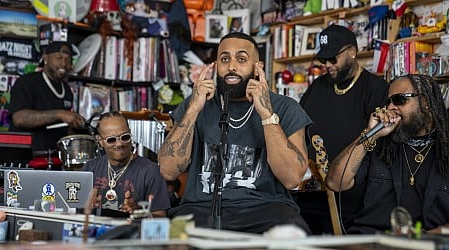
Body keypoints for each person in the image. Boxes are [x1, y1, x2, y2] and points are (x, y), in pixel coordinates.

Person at [158, 32, 312, 234]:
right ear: (215, 66)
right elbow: (168, 170)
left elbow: (293, 178)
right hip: (199, 209)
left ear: (258, 67)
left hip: (266, 210)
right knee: (165, 239)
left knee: (293, 237)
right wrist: (194, 109)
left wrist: (266, 113)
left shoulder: (285, 107)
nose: (231, 67)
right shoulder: (195, 104)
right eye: (224, 59)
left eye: (241, 59)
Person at [325, 74, 449, 234]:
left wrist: (422, 237)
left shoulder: (444, 148)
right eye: (388, 102)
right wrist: (370, 134)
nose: (390, 107)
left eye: (399, 99)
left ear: (425, 102)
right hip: (373, 239)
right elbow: (335, 182)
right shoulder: (380, 144)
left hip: (429, 242)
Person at [296, 24, 389, 234]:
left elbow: (380, 142)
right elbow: (299, 128)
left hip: (354, 201)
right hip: (311, 197)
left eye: (333, 59)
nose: (327, 65)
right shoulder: (318, 87)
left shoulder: (375, 88)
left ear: (352, 52)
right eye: (323, 60)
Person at [82, 111, 170, 216]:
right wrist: (86, 207)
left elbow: (161, 220)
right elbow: (72, 211)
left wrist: (137, 213)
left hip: (130, 231)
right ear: (100, 140)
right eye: (111, 140)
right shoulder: (90, 168)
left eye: (125, 137)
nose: (119, 144)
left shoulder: (151, 171)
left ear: (130, 133)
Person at [8, 42, 86, 153]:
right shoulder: (27, 82)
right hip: (25, 157)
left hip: (54, 158)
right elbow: (19, 119)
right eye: (58, 57)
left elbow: (61, 128)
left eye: (68, 60)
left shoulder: (67, 90)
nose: (64, 63)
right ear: (45, 58)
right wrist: (61, 114)